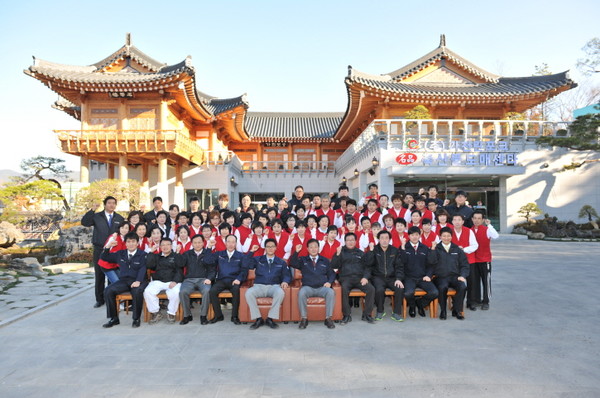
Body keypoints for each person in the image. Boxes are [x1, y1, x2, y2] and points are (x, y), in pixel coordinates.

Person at [81, 196, 125, 308]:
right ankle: (99, 299)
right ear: (105, 204)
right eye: (109, 203)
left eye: (114, 203)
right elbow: (85, 222)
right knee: (99, 275)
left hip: (114, 251)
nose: (111, 205)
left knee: (113, 274)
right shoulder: (97, 216)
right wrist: (92, 210)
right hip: (100, 249)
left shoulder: (119, 218)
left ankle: (111, 297)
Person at [100, 232, 148, 328]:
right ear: (125, 243)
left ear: (137, 243)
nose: (131, 244)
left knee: (137, 291)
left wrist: (138, 281)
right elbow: (104, 257)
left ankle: (136, 318)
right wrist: (108, 245)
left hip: (139, 280)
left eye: (133, 241)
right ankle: (114, 318)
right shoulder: (120, 254)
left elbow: (143, 268)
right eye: (128, 242)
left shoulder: (143, 254)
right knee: (108, 290)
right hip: (124, 281)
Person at [289, 239, 336, 329]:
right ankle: (304, 318)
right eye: (311, 247)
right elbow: (292, 263)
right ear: (307, 249)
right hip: (308, 287)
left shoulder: (325, 260)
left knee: (330, 292)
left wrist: (329, 282)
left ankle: (328, 318)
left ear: (318, 248)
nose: (313, 249)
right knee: (301, 292)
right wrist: (296, 252)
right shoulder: (303, 260)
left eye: (315, 247)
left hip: (322, 287)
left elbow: (332, 274)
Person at [245, 238, 291, 329]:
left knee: (280, 292)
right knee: (248, 293)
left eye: (272, 246)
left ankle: (270, 318)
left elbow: (287, 275)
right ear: (265, 248)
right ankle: (258, 319)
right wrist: (251, 252)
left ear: (276, 248)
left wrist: (285, 281)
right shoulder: (258, 259)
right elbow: (246, 263)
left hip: (274, 286)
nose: (270, 248)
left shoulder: (281, 262)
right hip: (259, 286)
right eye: (268, 247)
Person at [330, 233, 375, 324]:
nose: (350, 242)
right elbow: (333, 265)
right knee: (343, 290)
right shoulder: (341, 252)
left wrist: (365, 277)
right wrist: (337, 255)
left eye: (352, 240)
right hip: (346, 278)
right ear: (345, 242)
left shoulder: (360, 253)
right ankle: (346, 315)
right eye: (348, 240)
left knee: (371, 289)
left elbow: (368, 267)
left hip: (359, 278)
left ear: (355, 241)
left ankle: (367, 314)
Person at [364, 230, 405, 322]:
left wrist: (398, 279)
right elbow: (368, 264)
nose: (384, 240)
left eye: (386, 238)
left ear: (390, 239)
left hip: (392, 277)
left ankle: (397, 313)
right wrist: (370, 252)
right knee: (379, 289)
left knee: (399, 288)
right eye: (382, 238)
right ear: (378, 239)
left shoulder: (394, 250)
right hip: (378, 277)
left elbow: (399, 267)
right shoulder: (374, 250)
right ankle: (380, 310)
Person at [428, 227, 469, 320]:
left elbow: (465, 264)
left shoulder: (457, 249)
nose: (446, 238)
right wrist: (433, 250)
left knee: (462, 286)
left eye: (448, 236)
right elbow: (430, 262)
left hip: (455, 276)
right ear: (440, 237)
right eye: (444, 236)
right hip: (440, 277)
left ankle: (457, 310)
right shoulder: (436, 248)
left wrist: (463, 275)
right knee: (442, 287)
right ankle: (443, 310)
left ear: (451, 237)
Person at [209, 235, 249, 325]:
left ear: (236, 243)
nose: (231, 244)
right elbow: (207, 260)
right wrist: (209, 247)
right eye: (229, 242)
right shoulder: (219, 254)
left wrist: (239, 279)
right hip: (222, 280)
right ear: (225, 243)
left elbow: (244, 270)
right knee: (212, 291)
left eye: (233, 242)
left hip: (234, 280)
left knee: (236, 290)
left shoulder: (241, 256)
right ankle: (218, 315)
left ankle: (234, 316)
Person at [400, 227, 438, 318]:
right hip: (409, 278)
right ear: (408, 236)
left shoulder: (424, 248)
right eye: (412, 235)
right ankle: (412, 306)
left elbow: (430, 264)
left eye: (416, 235)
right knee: (408, 293)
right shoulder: (404, 247)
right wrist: (403, 248)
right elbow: (401, 262)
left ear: (419, 235)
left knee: (434, 292)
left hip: (422, 277)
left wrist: (428, 275)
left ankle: (420, 303)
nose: (414, 237)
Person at [144, 238, 184, 324]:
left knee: (176, 292)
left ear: (171, 246)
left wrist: (175, 281)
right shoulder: (156, 256)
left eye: (167, 244)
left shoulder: (175, 256)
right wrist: (151, 252)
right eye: (163, 245)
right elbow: (149, 265)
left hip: (172, 281)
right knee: (148, 291)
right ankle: (156, 312)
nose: (165, 247)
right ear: (160, 246)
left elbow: (180, 268)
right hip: (158, 281)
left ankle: (171, 313)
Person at [179, 234, 217, 325]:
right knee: (182, 292)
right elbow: (180, 265)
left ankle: (203, 316)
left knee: (207, 291)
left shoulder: (208, 254)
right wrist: (177, 253)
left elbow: (213, 269)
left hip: (203, 279)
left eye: (199, 242)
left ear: (203, 243)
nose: (197, 244)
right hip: (189, 280)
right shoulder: (187, 254)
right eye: (195, 243)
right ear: (192, 244)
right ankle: (187, 315)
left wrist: (209, 279)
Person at [471, 210, 499, 310]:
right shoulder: (469, 230)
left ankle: (486, 301)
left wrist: (489, 225)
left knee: (485, 281)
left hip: (485, 260)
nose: (477, 220)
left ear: (483, 220)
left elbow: (496, 236)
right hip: (474, 260)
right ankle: (476, 300)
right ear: (472, 219)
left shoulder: (487, 230)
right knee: (475, 281)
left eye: (479, 218)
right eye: (475, 218)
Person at [450, 214, 479, 311]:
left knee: (471, 283)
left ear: (463, 221)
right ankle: (455, 303)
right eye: (455, 219)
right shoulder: (449, 232)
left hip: (468, 261)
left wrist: (464, 249)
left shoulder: (469, 231)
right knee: (457, 284)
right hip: (453, 262)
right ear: (452, 222)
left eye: (459, 220)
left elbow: (475, 245)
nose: (457, 222)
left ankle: (471, 302)